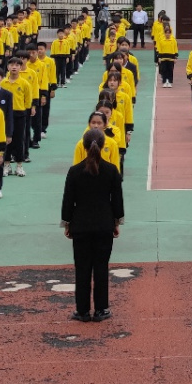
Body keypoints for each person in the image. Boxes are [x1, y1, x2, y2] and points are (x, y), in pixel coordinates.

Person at [63, 128, 126, 319]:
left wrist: (67, 223)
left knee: (82, 268)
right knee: (101, 267)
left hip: (81, 225)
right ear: (104, 145)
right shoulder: (111, 170)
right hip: (104, 224)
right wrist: (116, 222)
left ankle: (82, 310)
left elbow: (68, 201)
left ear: (83, 146)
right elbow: (117, 200)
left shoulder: (74, 171)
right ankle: (101, 309)